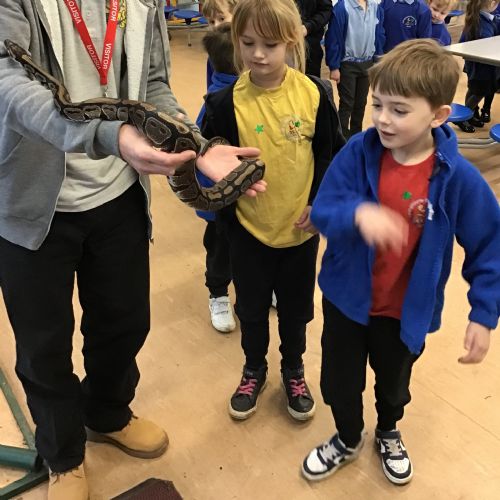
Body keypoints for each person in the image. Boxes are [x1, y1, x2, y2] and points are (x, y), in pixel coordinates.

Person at [0, 1, 264, 499]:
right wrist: (111, 136)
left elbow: (153, 85)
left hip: (119, 192)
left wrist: (197, 145)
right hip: (31, 203)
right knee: (43, 345)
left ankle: (107, 412)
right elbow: (8, 86)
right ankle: (63, 455)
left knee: (125, 322)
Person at [302, 39, 500, 486]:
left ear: (438, 115)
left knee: (393, 385)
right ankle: (346, 437)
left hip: (404, 312)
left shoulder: (457, 178)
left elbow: (490, 245)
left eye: (399, 110)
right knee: (338, 382)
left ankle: (388, 430)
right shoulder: (358, 152)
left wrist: (483, 314)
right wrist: (358, 213)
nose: (383, 119)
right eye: (377, 105)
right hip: (346, 302)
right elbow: (323, 210)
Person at [202, 0, 345, 421]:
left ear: (292, 42)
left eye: (270, 45)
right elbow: (208, 162)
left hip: (299, 230)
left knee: (296, 311)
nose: (258, 54)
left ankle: (293, 369)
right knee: (250, 308)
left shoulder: (315, 93)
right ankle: (254, 369)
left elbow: (330, 154)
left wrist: (320, 203)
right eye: (248, 43)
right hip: (248, 231)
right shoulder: (224, 103)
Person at [195, 23, 239, 333]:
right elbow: (198, 155)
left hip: (253, 198)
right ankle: (218, 295)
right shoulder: (215, 103)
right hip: (221, 201)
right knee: (220, 250)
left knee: (251, 248)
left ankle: (259, 288)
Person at [324, 0, 385, 138]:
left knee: (361, 103)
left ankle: (356, 136)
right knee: (347, 103)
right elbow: (333, 38)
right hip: (348, 64)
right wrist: (334, 66)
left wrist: (378, 61)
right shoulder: (342, 8)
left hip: (367, 64)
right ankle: (341, 139)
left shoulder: (375, 8)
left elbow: (379, 35)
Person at [454, 0, 500, 133]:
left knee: (473, 90)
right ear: (492, 3)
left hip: (476, 66)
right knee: (478, 93)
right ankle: (462, 118)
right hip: (482, 69)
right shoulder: (482, 24)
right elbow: (487, 47)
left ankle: (468, 115)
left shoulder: (478, 17)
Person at [201, 0, 239, 88]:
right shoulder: (214, 53)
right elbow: (210, 83)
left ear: (237, 15)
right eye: (212, 22)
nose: (216, 25)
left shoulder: (247, 49)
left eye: (222, 19)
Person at [294, 0, 332, 77]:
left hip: (310, 48)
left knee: (310, 81)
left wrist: (308, 27)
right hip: (283, 46)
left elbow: (326, 10)